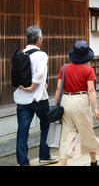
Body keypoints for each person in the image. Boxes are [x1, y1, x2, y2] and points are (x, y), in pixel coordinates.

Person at [14, 26, 59, 166]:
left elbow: (16, 74)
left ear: (27, 38)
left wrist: (26, 87)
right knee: (46, 124)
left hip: (22, 98)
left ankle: (23, 162)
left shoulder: (19, 53)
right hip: (38, 98)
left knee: (22, 130)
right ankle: (44, 156)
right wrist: (33, 87)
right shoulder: (42, 55)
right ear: (39, 39)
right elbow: (39, 73)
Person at [54, 41, 99, 166]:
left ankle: (63, 163)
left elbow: (58, 88)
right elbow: (91, 90)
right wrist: (96, 108)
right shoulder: (88, 70)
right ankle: (93, 161)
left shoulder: (64, 68)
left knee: (67, 134)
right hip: (80, 101)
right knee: (87, 132)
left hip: (66, 101)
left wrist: (55, 105)